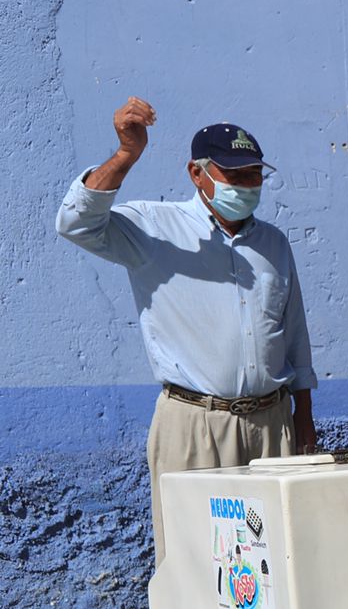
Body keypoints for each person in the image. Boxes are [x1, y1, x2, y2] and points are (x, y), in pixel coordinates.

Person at [57, 99, 316, 560]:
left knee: (277, 561)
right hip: (195, 427)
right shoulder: (154, 228)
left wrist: (303, 416)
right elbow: (75, 223)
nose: (247, 185)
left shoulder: (274, 243)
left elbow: (293, 332)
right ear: (197, 174)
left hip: (272, 426)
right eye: (234, 176)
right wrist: (125, 156)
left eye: (254, 174)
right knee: (195, 562)